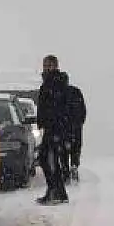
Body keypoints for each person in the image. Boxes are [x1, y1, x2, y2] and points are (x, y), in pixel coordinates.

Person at [36, 54, 71, 204]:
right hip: (49, 128)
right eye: (45, 65)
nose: (46, 68)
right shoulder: (46, 84)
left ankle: (54, 191)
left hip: (56, 128)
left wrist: (61, 130)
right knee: (51, 161)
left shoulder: (58, 84)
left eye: (49, 65)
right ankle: (59, 192)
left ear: (56, 66)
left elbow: (62, 109)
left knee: (47, 160)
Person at [63, 73, 86, 182]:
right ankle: (74, 165)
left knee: (63, 149)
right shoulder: (76, 91)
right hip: (75, 126)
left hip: (63, 126)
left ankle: (65, 170)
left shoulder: (58, 93)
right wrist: (80, 122)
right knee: (76, 147)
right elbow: (83, 109)